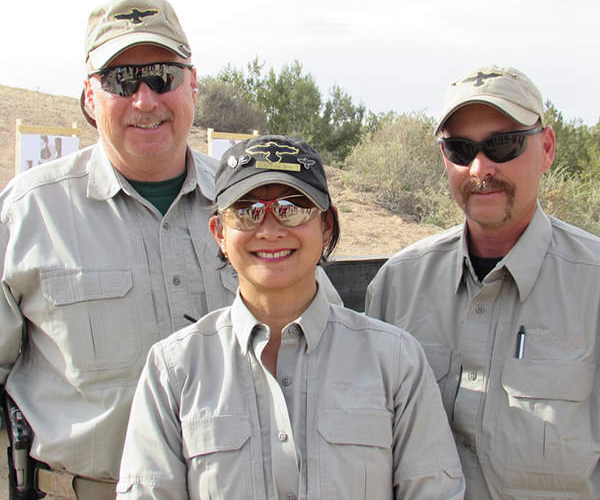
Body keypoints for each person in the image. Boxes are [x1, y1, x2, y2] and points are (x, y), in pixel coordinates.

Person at [116, 134, 466, 500]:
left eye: (292, 208)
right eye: (247, 211)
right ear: (219, 233)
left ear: (326, 226)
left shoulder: (395, 362)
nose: (269, 230)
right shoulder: (174, 369)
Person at [0, 0, 240, 499]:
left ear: (192, 85)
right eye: (120, 81)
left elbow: (321, 343)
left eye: (162, 76)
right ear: (90, 98)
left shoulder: (254, 203)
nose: (145, 99)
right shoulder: (26, 215)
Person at [366, 65, 600, 499]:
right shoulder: (397, 285)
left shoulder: (593, 287)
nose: (480, 167)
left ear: (547, 148)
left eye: (503, 144)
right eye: (460, 149)